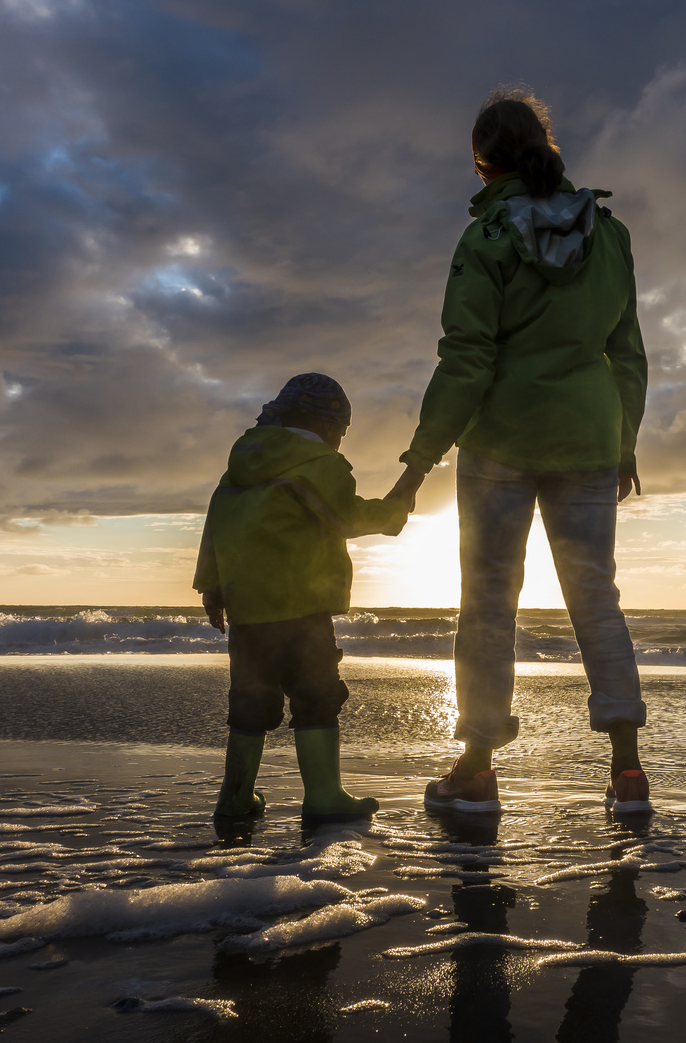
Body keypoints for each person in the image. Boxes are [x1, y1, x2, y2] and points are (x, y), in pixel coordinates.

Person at [391, 87, 651, 815]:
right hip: (590, 439)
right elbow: (626, 351)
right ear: (547, 147)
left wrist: (416, 466)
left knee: (487, 603)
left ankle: (476, 770)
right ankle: (627, 772)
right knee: (596, 600)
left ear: (481, 166)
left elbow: (467, 360)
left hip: (502, 441)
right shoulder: (610, 234)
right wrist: (624, 441)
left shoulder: (484, 241)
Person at [194, 373, 411, 826]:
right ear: (327, 424)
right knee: (316, 697)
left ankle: (235, 798)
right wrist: (395, 510)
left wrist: (212, 591)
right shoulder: (317, 462)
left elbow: (216, 525)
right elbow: (346, 518)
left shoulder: (240, 465)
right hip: (301, 607)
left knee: (250, 702)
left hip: (248, 611)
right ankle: (324, 798)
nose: (340, 442)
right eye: (342, 431)